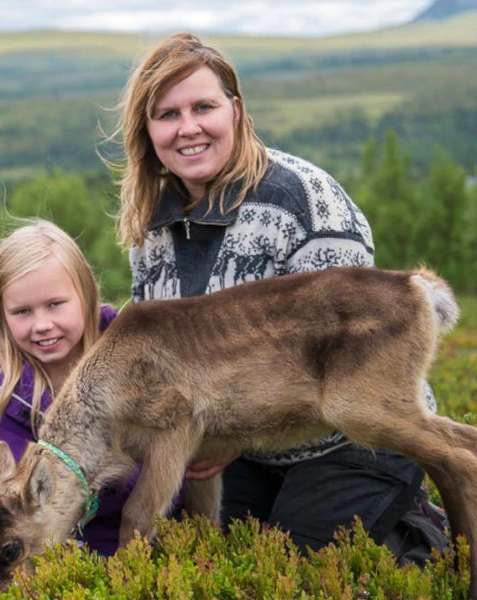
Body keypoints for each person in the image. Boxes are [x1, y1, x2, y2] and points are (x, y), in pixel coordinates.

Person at [111, 32, 449, 562]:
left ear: (237, 111)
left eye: (204, 107)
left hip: (350, 438)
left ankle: (413, 530)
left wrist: (226, 436)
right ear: (147, 130)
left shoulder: (303, 203)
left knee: (289, 568)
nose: (188, 128)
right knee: (198, 563)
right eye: (167, 114)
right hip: (248, 451)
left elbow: (352, 365)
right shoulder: (152, 230)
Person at [0, 219, 146, 555]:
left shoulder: (131, 353)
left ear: (85, 297)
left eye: (55, 304)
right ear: (0, 313)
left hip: (133, 535)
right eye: (22, 312)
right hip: (29, 548)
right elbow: (12, 498)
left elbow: (163, 475)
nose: (42, 325)